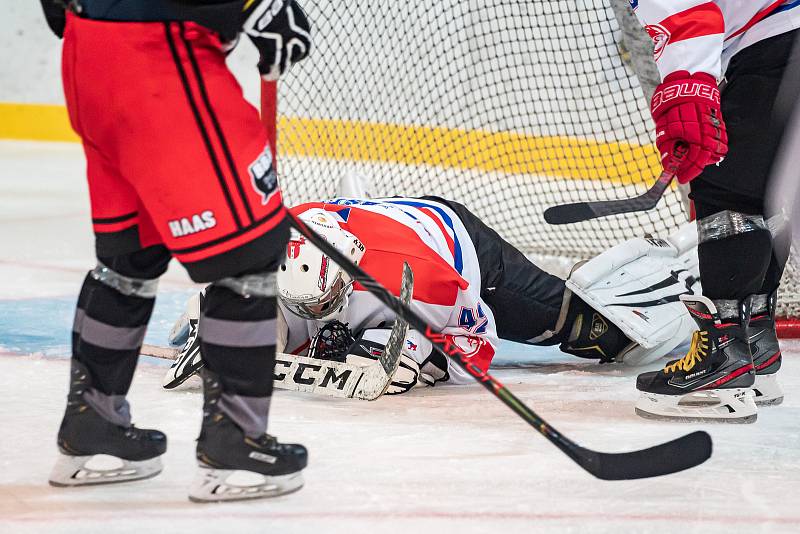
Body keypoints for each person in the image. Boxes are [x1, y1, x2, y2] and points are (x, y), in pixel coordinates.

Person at [40, 0, 312, 502]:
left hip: (91, 53)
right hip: (160, 58)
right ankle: (237, 446)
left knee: (129, 259)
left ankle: (92, 426)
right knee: (249, 258)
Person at [164, 191, 701, 394]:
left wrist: (426, 357)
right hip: (388, 225)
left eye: (327, 304)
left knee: (586, 331)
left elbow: (475, 340)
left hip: (458, 245)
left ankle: (675, 284)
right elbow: (220, 301)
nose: (318, 314)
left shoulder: (425, 280)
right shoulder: (273, 255)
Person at [630, 0, 799, 422]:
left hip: (780, 40)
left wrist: (688, 84)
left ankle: (724, 361)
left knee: (726, 188)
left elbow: (689, 12)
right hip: (781, 33)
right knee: (763, 188)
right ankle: (754, 344)